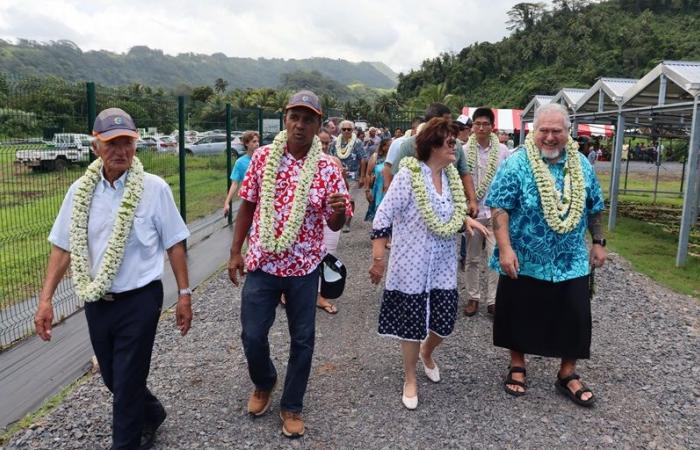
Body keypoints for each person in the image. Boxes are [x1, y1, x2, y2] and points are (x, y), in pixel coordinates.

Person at [34, 108, 192, 450]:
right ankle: (152, 412)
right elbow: (62, 248)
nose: (121, 150)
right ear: (96, 147)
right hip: (97, 302)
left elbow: (175, 243)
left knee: (127, 382)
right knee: (112, 376)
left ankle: (126, 442)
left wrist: (184, 293)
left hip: (141, 299)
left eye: (128, 142)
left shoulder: (153, 189)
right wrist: (46, 300)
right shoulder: (79, 192)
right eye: (112, 143)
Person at [228, 90, 351, 438]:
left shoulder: (328, 167)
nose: (299, 125)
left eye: (307, 119)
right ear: (285, 119)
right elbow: (248, 205)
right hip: (262, 264)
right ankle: (264, 381)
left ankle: (292, 404)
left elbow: (335, 222)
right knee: (252, 335)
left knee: (304, 339)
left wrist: (339, 213)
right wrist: (236, 250)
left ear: (317, 125)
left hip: (304, 269)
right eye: (294, 117)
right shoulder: (264, 157)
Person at [486, 103, 606, 407]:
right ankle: (517, 365)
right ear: (533, 131)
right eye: (544, 131)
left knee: (576, 315)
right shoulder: (517, 163)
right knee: (519, 310)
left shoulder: (581, 164)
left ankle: (567, 373)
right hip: (524, 257)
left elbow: (594, 206)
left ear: (568, 133)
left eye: (557, 131)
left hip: (570, 259)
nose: (550, 137)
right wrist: (505, 248)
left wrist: (599, 241)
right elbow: (499, 206)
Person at [368, 118, 489, 410]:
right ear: (433, 144)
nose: (456, 147)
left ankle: (427, 352)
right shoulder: (409, 176)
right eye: (451, 142)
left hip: (443, 268)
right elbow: (383, 217)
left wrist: (465, 219)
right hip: (411, 267)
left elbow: (449, 213)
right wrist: (378, 259)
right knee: (410, 326)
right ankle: (410, 377)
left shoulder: (450, 179)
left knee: (444, 322)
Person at [382, 103, 478, 218]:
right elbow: (395, 179)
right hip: (417, 211)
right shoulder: (409, 145)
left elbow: (464, 173)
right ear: (432, 123)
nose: (449, 125)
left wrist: (472, 200)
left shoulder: (455, 144)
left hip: (448, 209)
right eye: (445, 122)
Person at [463, 108, 510, 317]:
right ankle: (473, 297)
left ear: (492, 126)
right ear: (472, 126)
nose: (481, 128)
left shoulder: (502, 151)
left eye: (485, 124)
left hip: (495, 213)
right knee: (472, 258)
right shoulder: (463, 150)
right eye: (477, 124)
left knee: (495, 257)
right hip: (472, 213)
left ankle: (493, 300)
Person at [316, 128, 347, 315]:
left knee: (327, 254)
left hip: (330, 218)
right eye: (320, 142)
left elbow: (342, 192)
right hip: (308, 221)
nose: (324, 146)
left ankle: (320, 295)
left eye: (327, 143)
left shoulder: (334, 162)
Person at [329, 120, 368, 232]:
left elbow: (364, 159)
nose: (346, 131)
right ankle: (336, 220)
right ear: (340, 130)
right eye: (344, 129)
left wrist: (362, 176)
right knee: (337, 199)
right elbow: (330, 157)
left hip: (353, 176)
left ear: (352, 130)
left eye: (349, 129)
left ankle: (347, 222)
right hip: (337, 176)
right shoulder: (335, 143)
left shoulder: (358, 143)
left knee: (350, 199)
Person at [223, 130, 260, 217]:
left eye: (258, 141)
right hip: (248, 199)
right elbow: (235, 183)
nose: (257, 144)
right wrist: (227, 202)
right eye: (254, 141)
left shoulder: (264, 159)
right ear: (246, 144)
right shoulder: (240, 162)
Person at [364, 137, 391, 221]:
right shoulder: (375, 157)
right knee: (378, 213)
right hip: (378, 190)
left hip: (390, 190)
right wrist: (367, 191)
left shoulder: (395, 158)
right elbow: (368, 174)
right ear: (384, 147)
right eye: (390, 145)